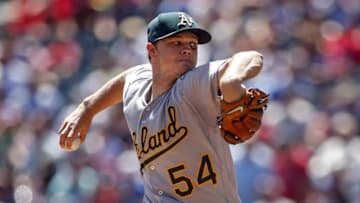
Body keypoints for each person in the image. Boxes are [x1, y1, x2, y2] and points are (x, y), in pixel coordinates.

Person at [58, 11, 266, 203]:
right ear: (152, 50)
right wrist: (87, 109)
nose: (187, 49)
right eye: (176, 42)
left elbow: (249, 58)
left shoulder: (192, 86)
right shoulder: (138, 84)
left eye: (193, 45)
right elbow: (126, 80)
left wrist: (230, 80)